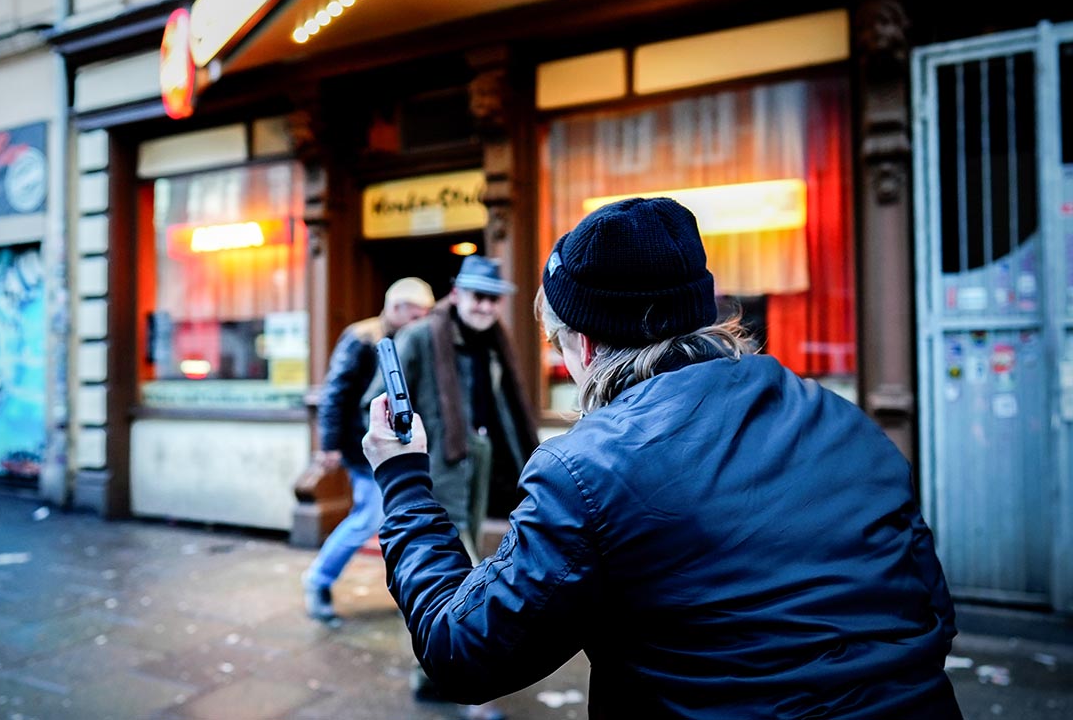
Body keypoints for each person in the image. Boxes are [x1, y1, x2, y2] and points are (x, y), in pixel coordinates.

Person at [363, 198, 961, 718]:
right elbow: (929, 606)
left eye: (562, 345)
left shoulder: (588, 470)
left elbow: (462, 651)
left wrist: (404, 482)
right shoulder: (841, 421)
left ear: (589, 345)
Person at [363, 254, 538, 719]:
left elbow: (500, 405)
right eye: (477, 295)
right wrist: (406, 451)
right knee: (455, 576)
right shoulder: (421, 336)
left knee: (462, 562)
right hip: (435, 469)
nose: (485, 306)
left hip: (477, 464)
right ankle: (450, 677)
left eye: (493, 298)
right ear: (457, 293)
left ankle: (431, 672)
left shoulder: (493, 340)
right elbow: (374, 403)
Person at [302, 276, 434, 624]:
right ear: (396, 308)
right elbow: (335, 392)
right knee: (369, 518)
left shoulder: (408, 339)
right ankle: (318, 581)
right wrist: (329, 445)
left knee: (386, 517)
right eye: (417, 314)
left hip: (392, 448)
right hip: (363, 448)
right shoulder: (362, 337)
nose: (422, 321)